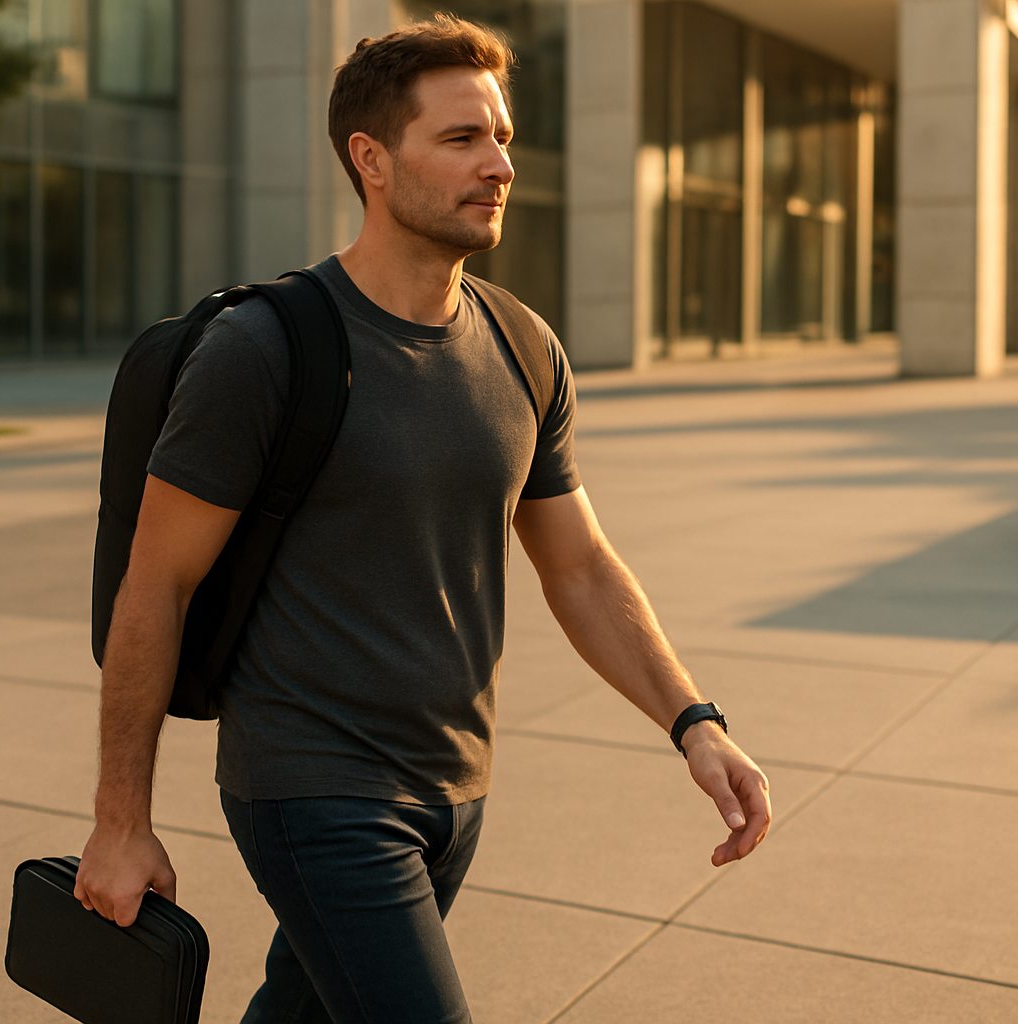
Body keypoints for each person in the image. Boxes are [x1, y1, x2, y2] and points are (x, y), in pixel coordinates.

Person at [73, 14, 770, 1024]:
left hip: (455, 788)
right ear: (373, 160)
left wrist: (694, 722)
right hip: (313, 786)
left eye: (502, 139)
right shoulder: (265, 351)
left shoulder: (523, 345)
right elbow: (157, 581)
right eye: (462, 140)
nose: (499, 165)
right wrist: (118, 820)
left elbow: (578, 567)